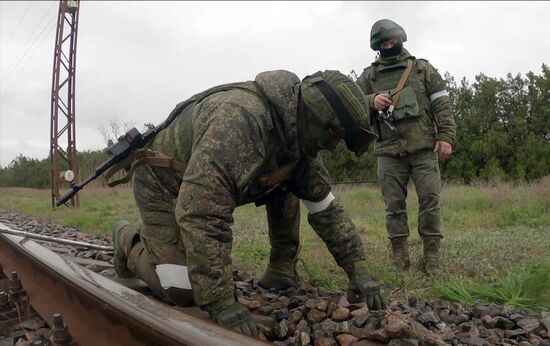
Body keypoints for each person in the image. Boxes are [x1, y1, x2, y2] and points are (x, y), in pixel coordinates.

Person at [111, 70, 386, 336]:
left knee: (288, 178)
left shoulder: (296, 137)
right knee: (182, 288)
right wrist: (220, 300)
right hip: (164, 184)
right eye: (335, 136)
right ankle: (127, 238)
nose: (333, 146)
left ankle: (281, 269)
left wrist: (358, 270)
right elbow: (202, 213)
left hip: (203, 189)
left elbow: (325, 207)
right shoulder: (239, 121)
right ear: (319, 122)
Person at [356, 19, 456, 276]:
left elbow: (442, 105)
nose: (389, 46)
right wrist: (370, 100)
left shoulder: (422, 69)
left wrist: (446, 136)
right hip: (388, 152)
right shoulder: (369, 76)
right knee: (394, 207)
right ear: (377, 47)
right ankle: (399, 257)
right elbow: (353, 107)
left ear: (400, 39)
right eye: (384, 44)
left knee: (430, 201)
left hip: (423, 148)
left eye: (392, 41)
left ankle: (432, 256)